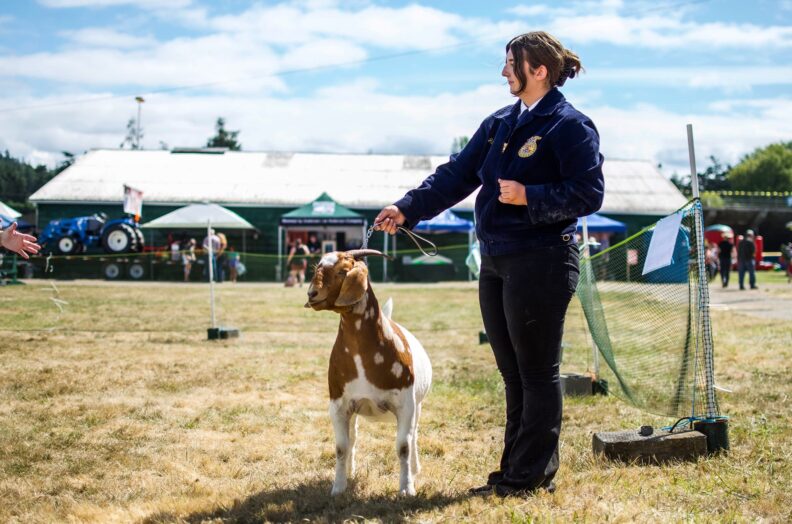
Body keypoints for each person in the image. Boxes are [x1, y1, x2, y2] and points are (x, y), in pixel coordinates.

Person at [375, 31, 603, 497]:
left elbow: (589, 193)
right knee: (513, 373)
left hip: (542, 260)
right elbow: (456, 175)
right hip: (497, 260)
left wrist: (530, 196)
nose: (503, 71)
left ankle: (528, 477)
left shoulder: (570, 126)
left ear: (538, 70)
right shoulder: (499, 122)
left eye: (511, 63)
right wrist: (407, 208)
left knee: (537, 373)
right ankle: (518, 471)